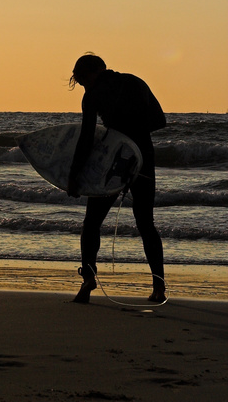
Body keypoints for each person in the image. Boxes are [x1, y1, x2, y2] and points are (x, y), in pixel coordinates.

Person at [68, 53, 167, 304]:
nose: (83, 86)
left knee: (91, 223)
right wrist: (134, 132)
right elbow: (160, 120)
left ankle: (89, 278)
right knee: (146, 223)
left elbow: (87, 138)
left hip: (113, 162)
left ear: (91, 73)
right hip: (142, 157)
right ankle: (159, 288)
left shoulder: (93, 95)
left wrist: (74, 175)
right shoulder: (136, 82)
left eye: (82, 81)